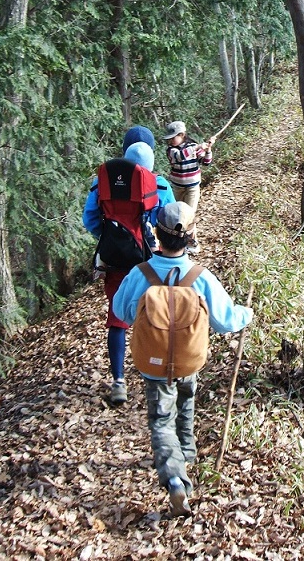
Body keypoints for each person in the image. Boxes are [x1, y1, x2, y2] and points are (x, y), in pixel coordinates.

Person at [113, 202, 253, 517]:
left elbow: (121, 313)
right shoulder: (200, 277)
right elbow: (226, 321)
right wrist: (247, 313)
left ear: (155, 235)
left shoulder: (140, 274)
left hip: (153, 361)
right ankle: (185, 455)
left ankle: (175, 475)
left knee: (162, 419)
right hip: (190, 360)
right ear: (190, 237)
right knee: (186, 400)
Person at [82, 127, 174, 405]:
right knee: (157, 314)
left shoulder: (103, 185)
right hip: (151, 260)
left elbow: (90, 220)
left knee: (118, 318)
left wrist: (113, 239)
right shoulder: (160, 185)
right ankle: (158, 374)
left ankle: (119, 381)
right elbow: (170, 221)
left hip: (116, 262)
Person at [162, 120, 214, 252]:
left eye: (173, 138)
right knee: (176, 216)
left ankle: (192, 241)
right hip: (177, 187)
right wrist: (198, 147)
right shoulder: (171, 150)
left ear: (182, 134)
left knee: (189, 215)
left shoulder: (193, 146)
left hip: (192, 188)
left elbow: (205, 162)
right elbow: (180, 156)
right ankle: (177, 243)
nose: (171, 141)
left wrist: (208, 150)